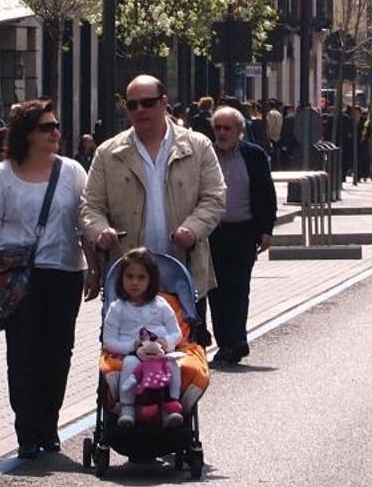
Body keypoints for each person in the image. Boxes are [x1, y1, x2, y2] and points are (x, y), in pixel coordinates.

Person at [0, 97, 89, 459]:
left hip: (64, 273)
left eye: (56, 126)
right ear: (27, 135)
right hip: (17, 278)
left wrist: (93, 268)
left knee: (58, 352)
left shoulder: (72, 172)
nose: (56, 133)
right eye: (46, 127)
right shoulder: (1, 177)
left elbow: (83, 224)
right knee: (23, 353)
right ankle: (27, 431)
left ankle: (49, 425)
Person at [82, 75, 227, 323]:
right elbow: (90, 205)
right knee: (125, 358)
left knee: (184, 356)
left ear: (164, 103)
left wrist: (192, 230)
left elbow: (214, 197)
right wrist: (100, 230)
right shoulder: (109, 153)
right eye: (132, 104)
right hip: (129, 280)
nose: (139, 110)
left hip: (183, 275)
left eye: (147, 103)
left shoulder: (197, 145)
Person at [204, 105, 276, 366]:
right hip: (212, 233)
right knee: (216, 290)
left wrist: (266, 230)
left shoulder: (254, 155)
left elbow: (266, 193)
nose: (222, 133)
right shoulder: (206, 154)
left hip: (243, 231)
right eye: (218, 128)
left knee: (238, 287)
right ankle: (226, 343)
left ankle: (237, 339)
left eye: (227, 128)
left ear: (239, 131)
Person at [103, 247, 186, 429]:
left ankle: (170, 406)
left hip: (160, 354)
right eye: (129, 277)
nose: (135, 282)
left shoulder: (161, 305)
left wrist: (168, 343)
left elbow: (176, 332)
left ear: (151, 280)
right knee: (131, 365)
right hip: (132, 353)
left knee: (173, 366)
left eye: (141, 278)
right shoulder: (118, 308)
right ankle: (128, 408)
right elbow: (108, 341)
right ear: (121, 279)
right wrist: (131, 347)